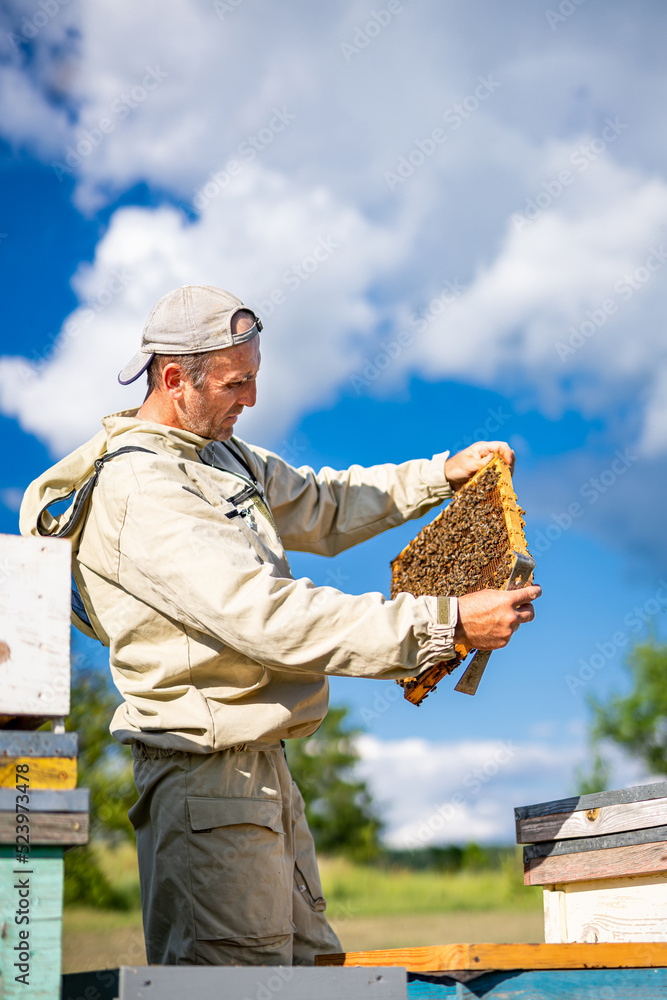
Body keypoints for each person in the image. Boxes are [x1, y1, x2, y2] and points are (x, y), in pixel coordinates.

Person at [20, 284, 541, 967]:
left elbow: (321, 503)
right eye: (237, 384)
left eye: (255, 379)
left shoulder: (217, 456)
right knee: (239, 986)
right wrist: (444, 625)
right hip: (205, 786)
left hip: (262, 777)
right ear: (175, 379)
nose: (252, 400)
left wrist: (438, 476)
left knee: (313, 978)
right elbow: (267, 617)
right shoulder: (143, 491)